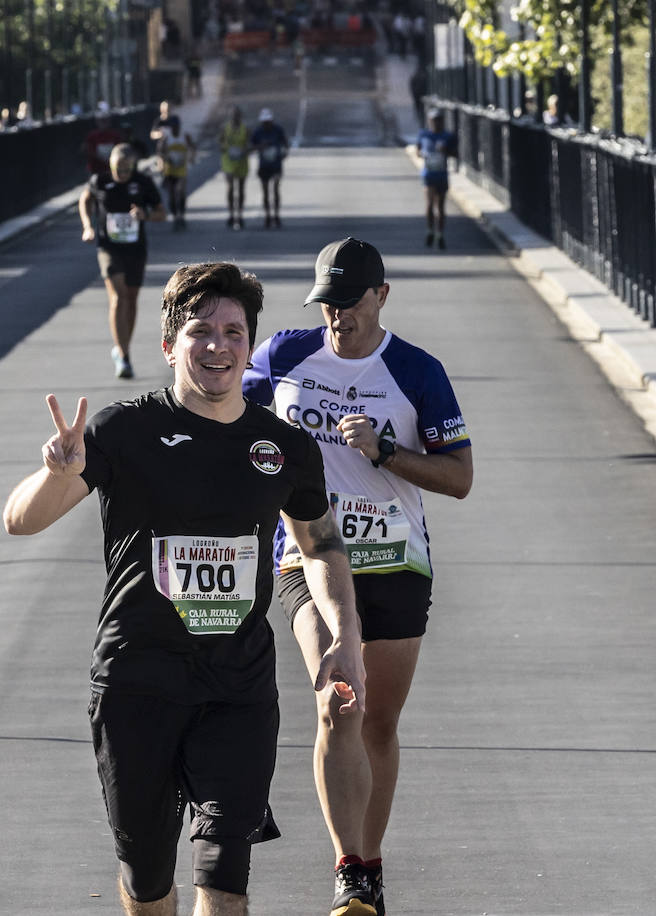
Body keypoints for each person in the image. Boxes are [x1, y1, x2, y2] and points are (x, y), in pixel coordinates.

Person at [3, 261, 368, 916]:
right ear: (170, 345)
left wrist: (345, 636)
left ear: (248, 346)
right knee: (148, 884)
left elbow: (320, 545)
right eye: (201, 331)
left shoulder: (281, 446)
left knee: (225, 883)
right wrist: (58, 472)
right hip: (136, 684)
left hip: (237, 689)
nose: (219, 347)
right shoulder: (124, 431)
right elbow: (19, 520)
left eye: (233, 332)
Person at [243, 237, 474, 916]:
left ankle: (369, 868)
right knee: (337, 701)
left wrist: (386, 451)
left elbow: (460, 477)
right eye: (327, 303)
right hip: (308, 554)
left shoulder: (415, 371)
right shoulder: (283, 356)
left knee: (377, 722)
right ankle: (350, 870)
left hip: (396, 558)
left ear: (381, 296)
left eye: (350, 302)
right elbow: (223, 405)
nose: (338, 316)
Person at [79, 144, 168, 379]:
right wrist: (88, 226)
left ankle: (122, 348)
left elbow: (162, 213)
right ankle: (124, 354)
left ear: (133, 167)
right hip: (109, 247)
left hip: (135, 249)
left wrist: (145, 215)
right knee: (118, 297)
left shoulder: (143, 183)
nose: (122, 174)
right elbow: (85, 198)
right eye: (118, 168)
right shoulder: (100, 181)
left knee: (131, 299)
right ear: (111, 165)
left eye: (127, 169)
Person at [416, 109, 457, 250]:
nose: (436, 122)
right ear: (429, 121)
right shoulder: (424, 134)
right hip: (428, 174)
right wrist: (423, 153)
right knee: (429, 204)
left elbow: (456, 153)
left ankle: (440, 234)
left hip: (441, 175)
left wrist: (445, 150)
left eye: (439, 120)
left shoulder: (448, 136)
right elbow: (418, 151)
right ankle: (429, 230)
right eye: (434, 120)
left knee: (440, 206)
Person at [251, 108, 290, 228]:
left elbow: (285, 144)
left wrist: (284, 153)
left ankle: (276, 215)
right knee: (265, 192)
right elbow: (251, 146)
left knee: (276, 190)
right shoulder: (258, 132)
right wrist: (260, 146)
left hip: (276, 164)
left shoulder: (278, 130)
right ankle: (268, 216)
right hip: (264, 165)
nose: (266, 124)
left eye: (268, 121)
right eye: (264, 122)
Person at [158, 116, 195, 231]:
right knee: (172, 196)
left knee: (181, 191)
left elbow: (193, 147)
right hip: (170, 171)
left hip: (181, 170)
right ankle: (175, 218)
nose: (175, 129)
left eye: (176, 126)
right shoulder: (166, 138)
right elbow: (160, 152)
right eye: (173, 127)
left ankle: (181, 216)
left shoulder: (185, 136)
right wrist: (165, 159)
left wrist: (191, 158)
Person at [219, 106, 251, 230]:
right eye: (233, 115)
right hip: (228, 162)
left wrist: (245, 150)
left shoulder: (245, 129)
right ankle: (231, 214)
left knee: (241, 189)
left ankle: (240, 215)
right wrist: (223, 147)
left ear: (240, 116)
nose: (235, 117)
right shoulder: (224, 128)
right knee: (231, 187)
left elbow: (249, 144)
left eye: (237, 115)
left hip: (242, 161)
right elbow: (220, 142)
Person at [84, 103, 126, 180]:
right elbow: (90, 152)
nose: (103, 123)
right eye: (101, 120)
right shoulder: (92, 137)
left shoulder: (115, 135)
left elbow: (121, 150)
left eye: (105, 120)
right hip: (97, 172)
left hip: (113, 172)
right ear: (97, 121)